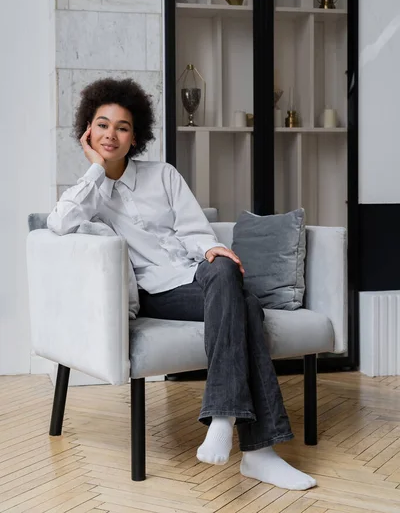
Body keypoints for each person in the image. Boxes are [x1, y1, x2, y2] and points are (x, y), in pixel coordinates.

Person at [47, 77, 316, 491]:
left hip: (197, 274)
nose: (111, 134)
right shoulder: (90, 195)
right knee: (246, 303)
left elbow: (196, 230)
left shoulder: (163, 175)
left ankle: (226, 419)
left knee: (226, 270)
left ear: (135, 136)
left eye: (122, 127)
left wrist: (211, 250)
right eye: (102, 125)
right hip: (159, 292)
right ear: (88, 130)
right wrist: (95, 169)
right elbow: (57, 223)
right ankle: (258, 452)